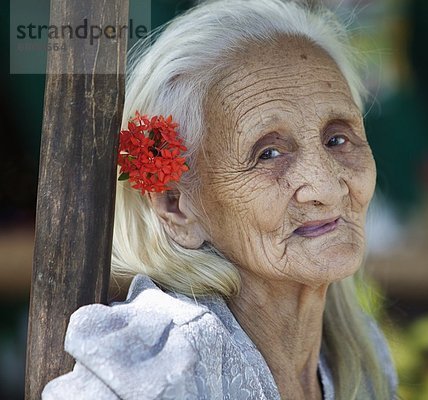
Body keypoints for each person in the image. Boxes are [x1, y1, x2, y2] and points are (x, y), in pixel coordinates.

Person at [43, 0, 397, 398]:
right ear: (177, 206)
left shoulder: (355, 355)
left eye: (337, 139)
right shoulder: (163, 366)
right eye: (269, 154)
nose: (326, 187)